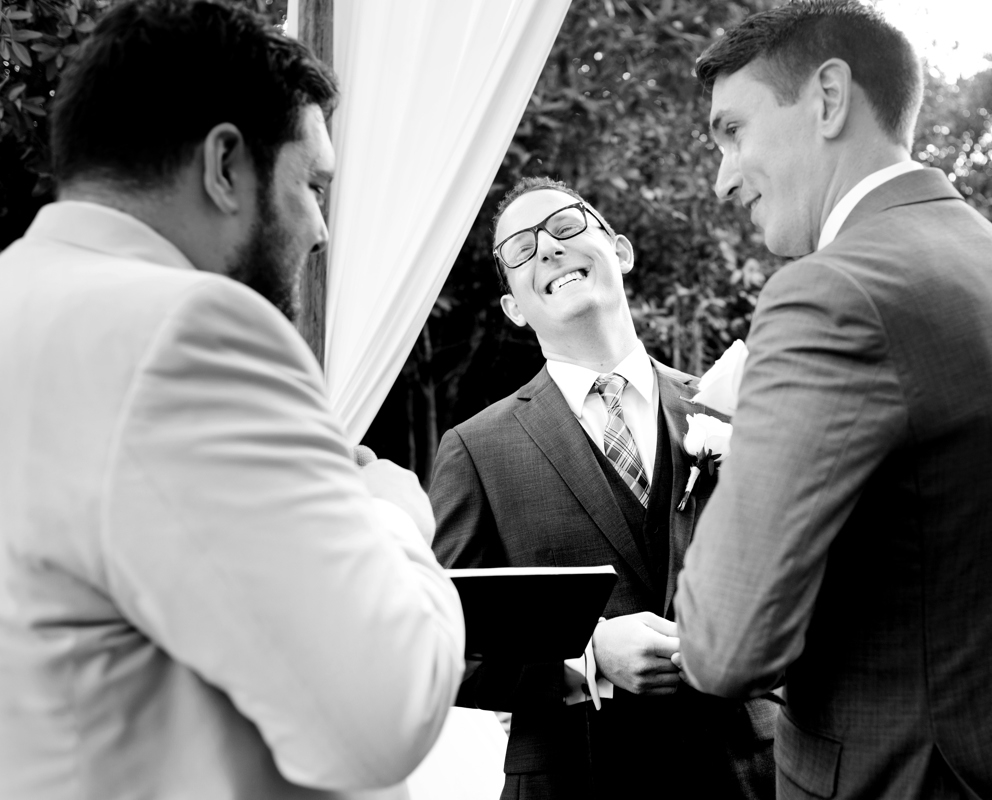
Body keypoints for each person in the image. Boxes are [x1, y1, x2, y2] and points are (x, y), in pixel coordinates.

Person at [0, 2, 464, 798]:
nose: (321, 229)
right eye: (311, 184)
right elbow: (379, 719)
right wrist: (387, 514)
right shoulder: (187, 333)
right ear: (225, 166)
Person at [672, 2, 992, 798]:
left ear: (829, 97)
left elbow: (724, 647)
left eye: (733, 131)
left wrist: (736, 431)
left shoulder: (830, 294)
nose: (724, 178)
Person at [429, 177, 776, 799]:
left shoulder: (733, 409)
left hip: (747, 773)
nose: (548, 250)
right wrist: (585, 661)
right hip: (578, 778)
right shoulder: (475, 451)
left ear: (619, 250)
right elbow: (443, 645)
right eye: (521, 249)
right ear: (513, 306)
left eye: (565, 226)